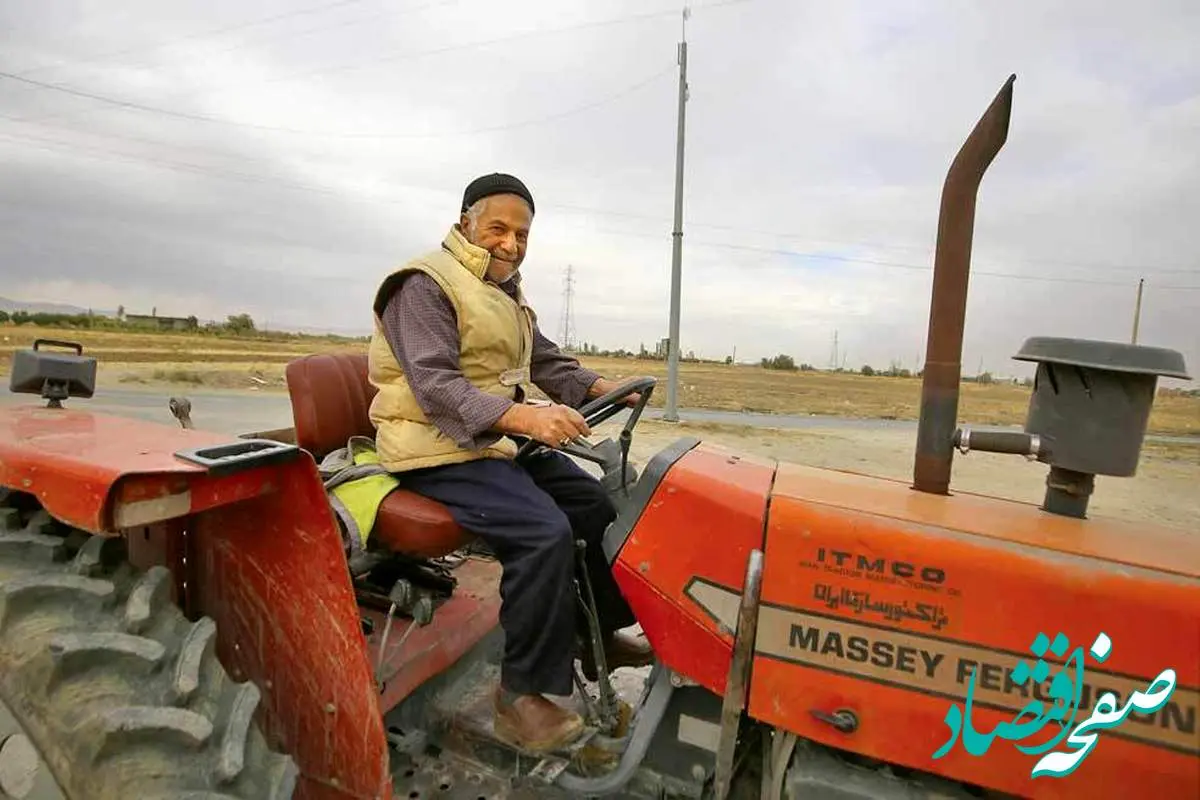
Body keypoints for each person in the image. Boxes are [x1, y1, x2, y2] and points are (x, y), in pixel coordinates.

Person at [366, 172, 654, 753]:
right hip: (432, 444)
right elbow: (436, 387)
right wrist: (526, 419)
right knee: (542, 532)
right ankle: (518, 696)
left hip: (491, 441)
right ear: (466, 220)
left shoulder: (505, 292)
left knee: (596, 504)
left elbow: (545, 362)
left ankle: (587, 635)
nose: (511, 243)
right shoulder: (423, 285)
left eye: (522, 234)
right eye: (498, 228)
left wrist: (604, 386)